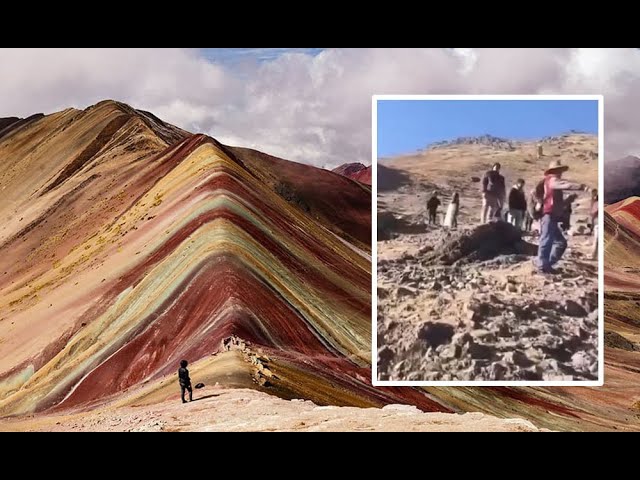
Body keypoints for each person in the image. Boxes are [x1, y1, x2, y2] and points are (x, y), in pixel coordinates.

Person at [535, 160, 589, 274]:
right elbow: (566, 185)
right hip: (548, 215)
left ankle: (547, 264)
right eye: (559, 170)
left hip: (552, 216)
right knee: (547, 240)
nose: (560, 173)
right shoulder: (552, 180)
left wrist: (569, 200)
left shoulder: (552, 183)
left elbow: (559, 204)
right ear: (554, 171)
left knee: (560, 243)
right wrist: (581, 187)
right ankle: (542, 266)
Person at [590, 189, 599, 260]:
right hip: (597, 224)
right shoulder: (596, 203)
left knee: (596, 240)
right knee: (597, 240)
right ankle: (594, 256)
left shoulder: (596, 203)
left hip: (597, 223)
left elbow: (593, 213)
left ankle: (594, 256)